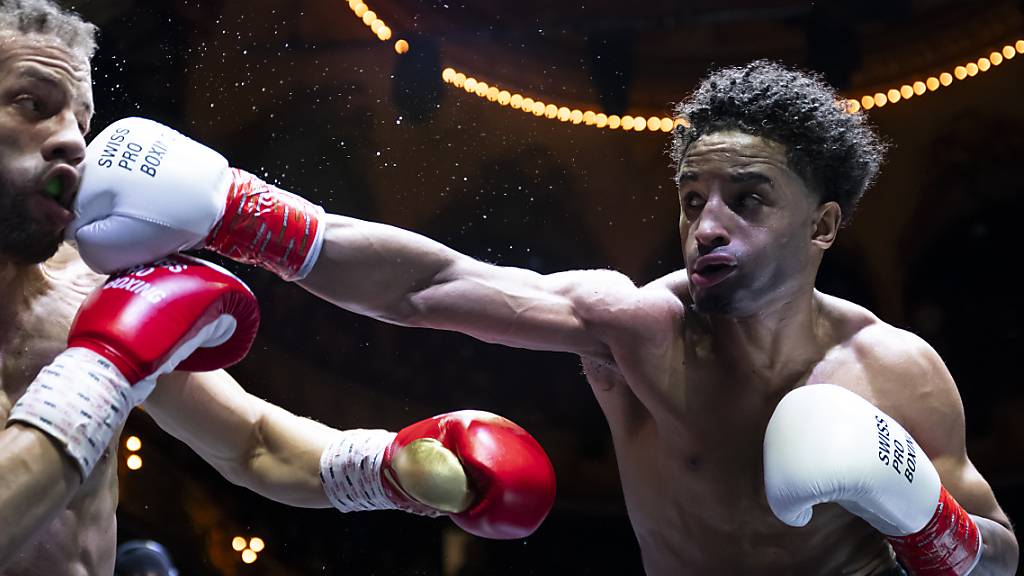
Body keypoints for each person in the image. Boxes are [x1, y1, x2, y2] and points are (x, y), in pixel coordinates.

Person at [68, 59, 1020, 574]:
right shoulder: (637, 327)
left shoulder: (895, 371)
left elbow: (999, 557)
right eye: (693, 198)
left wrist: (927, 524)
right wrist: (250, 216)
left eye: (749, 198)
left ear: (822, 224)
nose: (709, 224)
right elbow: (427, 285)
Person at [0, 2, 557, 575]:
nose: (72, 141)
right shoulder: (103, 341)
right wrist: (102, 371)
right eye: (33, 104)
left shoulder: (91, 294)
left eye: (81, 121)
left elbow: (252, 443)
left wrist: (384, 468)